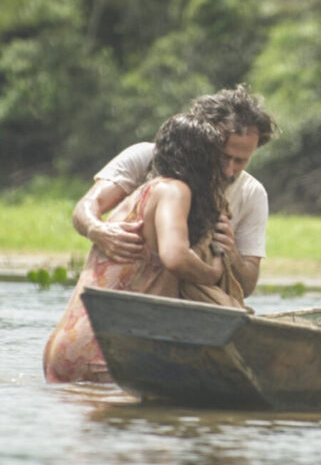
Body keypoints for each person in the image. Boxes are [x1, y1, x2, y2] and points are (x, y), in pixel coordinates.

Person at [44, 114, 244, 383]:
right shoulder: (174, 190)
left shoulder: (137, 196)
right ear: (204, 162)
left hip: (65, 346)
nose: (224, 173)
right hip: (104, 351)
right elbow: (175, 258)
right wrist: (213, 272)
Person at [71, 85, 277, 297]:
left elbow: (247, 287)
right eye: (223, 156)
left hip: (193, 301)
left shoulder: (251, 193)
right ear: (203, 138)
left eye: (241, 161)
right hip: (127, 289)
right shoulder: (148, 159)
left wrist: (231, 253)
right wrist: (97, 230)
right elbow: (85, 207)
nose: (228, 170)